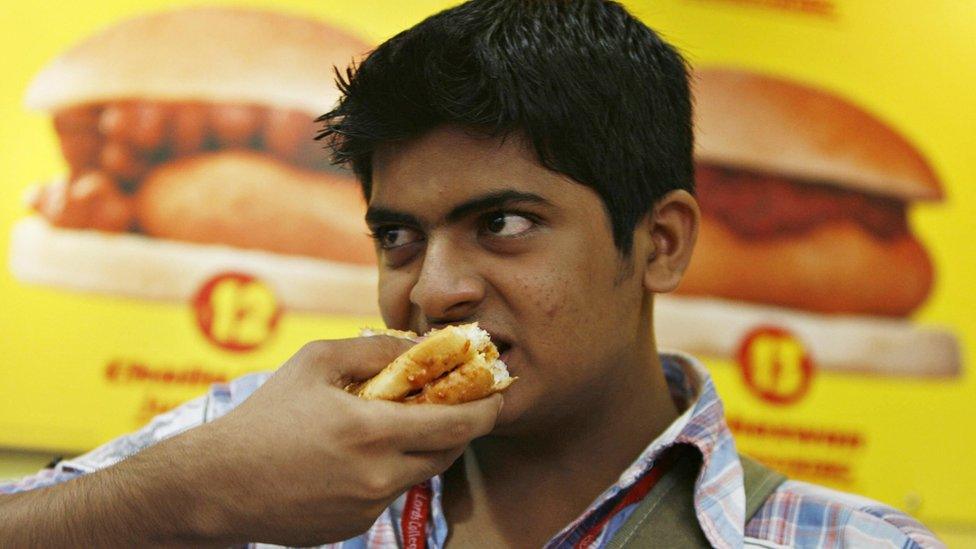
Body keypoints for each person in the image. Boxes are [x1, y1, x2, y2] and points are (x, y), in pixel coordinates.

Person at [0, 1, 943, 547]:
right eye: (398, 237)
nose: (432, 289)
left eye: (502, 223)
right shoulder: (245, 447)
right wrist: (189, 493)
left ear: (660, 242)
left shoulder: (854, 540)